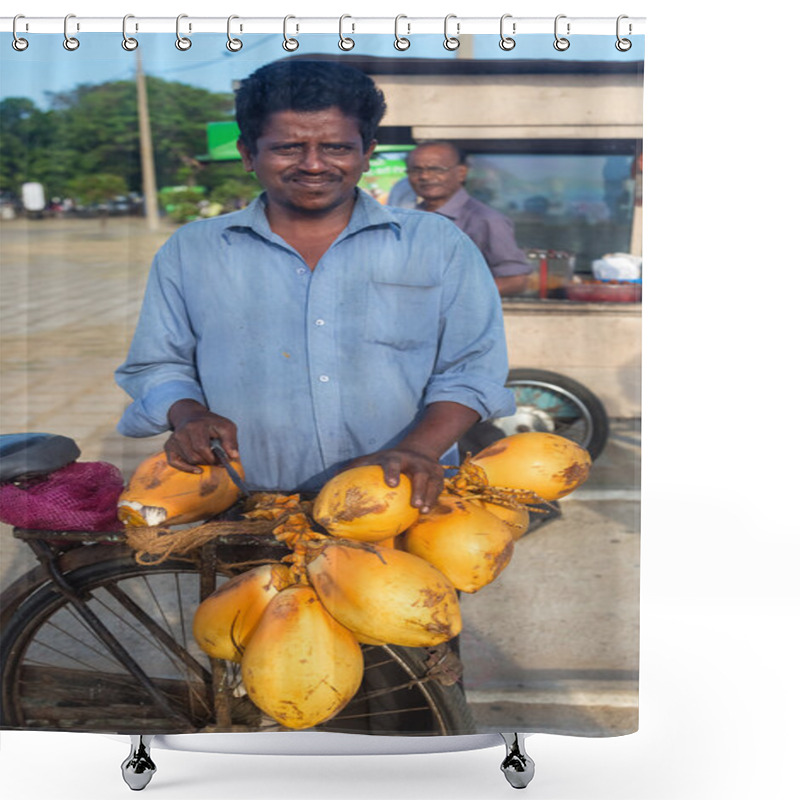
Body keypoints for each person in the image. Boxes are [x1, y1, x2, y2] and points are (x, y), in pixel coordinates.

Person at [115, 60, 514, 514]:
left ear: (367, 153)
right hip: (246, 499)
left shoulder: (437, 243)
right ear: (248, 154)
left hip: (398, 495)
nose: (313, 165)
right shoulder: (192, 251)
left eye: (336, 147)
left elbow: (472, 367)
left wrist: (422, 448)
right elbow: (158, 362)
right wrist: (189, 414)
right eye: (287, 147)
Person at [406, 142, 532, 296]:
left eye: (436, 169)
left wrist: (455, 299)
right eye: (415, 170)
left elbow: (515, 280)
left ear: (461, 172)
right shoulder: (409, 219)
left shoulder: (486, 220)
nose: (424, 176)